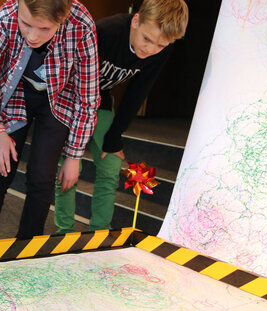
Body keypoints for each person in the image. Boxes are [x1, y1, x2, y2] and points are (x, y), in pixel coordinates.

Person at [0, 0, 99, 241]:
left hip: (59, 100)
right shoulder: (5, 18)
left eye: (45, 29)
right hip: (14, 91)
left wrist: (74, 155)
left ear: (64, 17)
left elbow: (87, 97)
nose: (32, 36)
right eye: (26, 24)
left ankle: (27, 251)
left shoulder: (81, 24)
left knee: (42, 178)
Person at [53, 0, 188, 234]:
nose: (150, 49)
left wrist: (114, 137)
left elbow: (138, 92)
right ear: (135, 21)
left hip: (102, 101)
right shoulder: (105, 31)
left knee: (111, 166)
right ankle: (63, 232)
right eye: (147, 39)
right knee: (66, 168)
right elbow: (67, 74)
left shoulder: (160, 51)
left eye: (161, 45)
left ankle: (100, 232)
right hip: (70, 100)